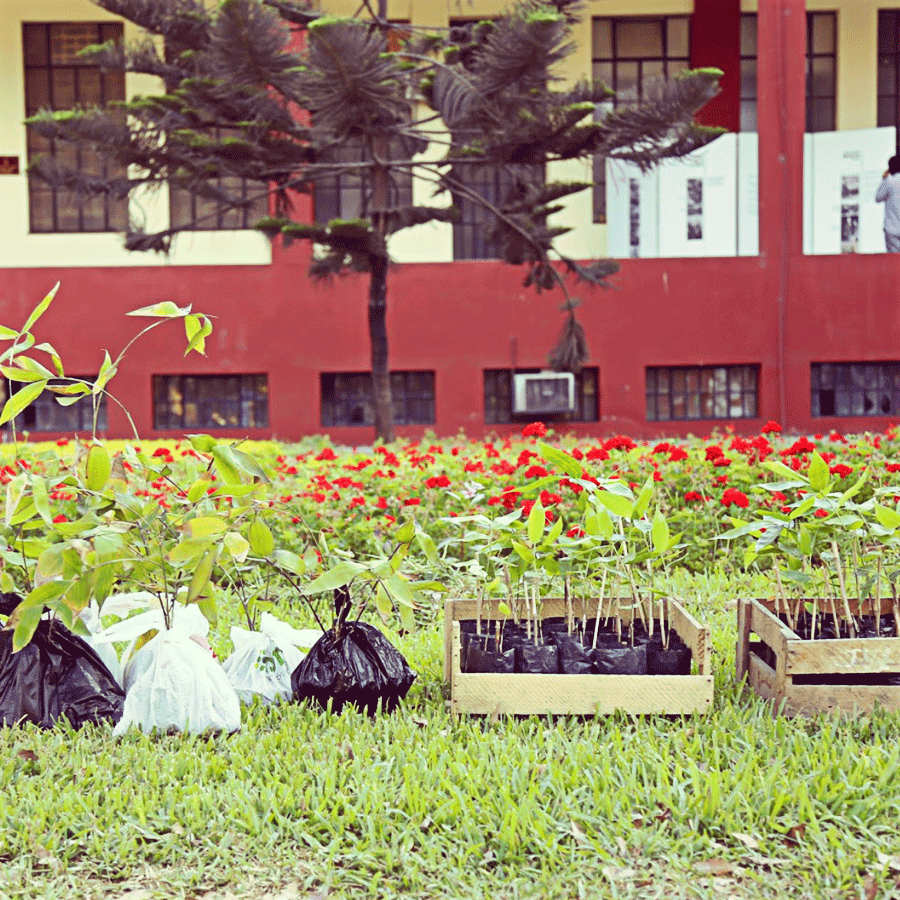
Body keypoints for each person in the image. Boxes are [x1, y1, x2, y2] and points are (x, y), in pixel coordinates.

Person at [876, 155, 900, 252]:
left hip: (892, 228)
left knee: (894, 261)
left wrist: (884, 178)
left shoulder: (889, 181)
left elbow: (878, 198)